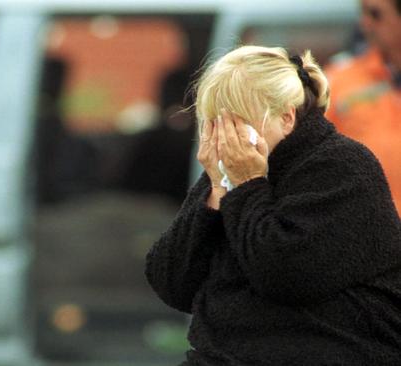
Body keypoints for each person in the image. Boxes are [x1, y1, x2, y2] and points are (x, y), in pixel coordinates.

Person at [145, 45, 401, 365]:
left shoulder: (343, 168)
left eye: (239, 124)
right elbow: (171, 283)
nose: (227, 139)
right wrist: (214, 192)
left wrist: (249, 185)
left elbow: (284, 275)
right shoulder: (231, 173)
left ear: (286, 117)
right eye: (215, 124)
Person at [325, 0, 401, 212]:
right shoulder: (338, 81)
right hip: (365, 236)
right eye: (363, 13)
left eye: (375, 14)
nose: (364, 23)